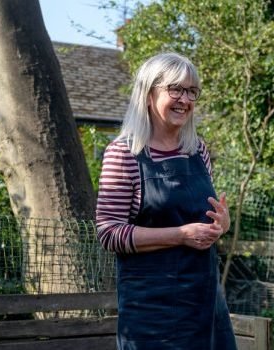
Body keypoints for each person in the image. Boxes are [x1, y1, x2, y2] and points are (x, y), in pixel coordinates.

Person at [95, 52, 237, 350]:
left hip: (204, 301)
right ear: (148, 94)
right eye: (175, 89)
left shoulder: (197, 150)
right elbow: (108, 233)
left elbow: (202, 220)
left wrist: (221, 224)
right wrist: (180, 235)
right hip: (152, 311)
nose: (185, 99)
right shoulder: (124, 154)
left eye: (191, 91)